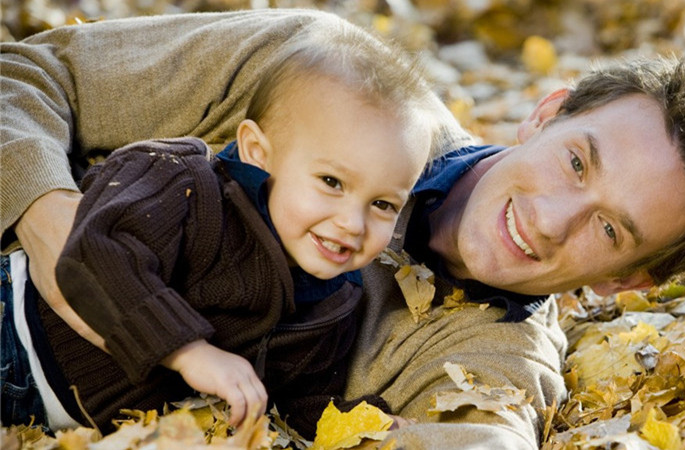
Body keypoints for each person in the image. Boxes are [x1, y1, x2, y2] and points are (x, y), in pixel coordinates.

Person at [0, 9, 685, 449]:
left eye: (610, 230)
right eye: (575, 162)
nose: (550, 220)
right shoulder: (325, 73)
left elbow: (487, 436)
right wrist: (44, 216)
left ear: (624, 282)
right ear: (548, 112)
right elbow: (27, 74)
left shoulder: (493, 355)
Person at [0, 16, 438, 437]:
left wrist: (357, 423)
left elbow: (288, 399)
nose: (352, 223)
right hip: (15, 331)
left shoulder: (335, 301)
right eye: (331, 182)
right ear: (257, 152)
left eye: (382, 203)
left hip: (52, 416)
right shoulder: (185, 184)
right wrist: (188, 351)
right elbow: (95, 254)